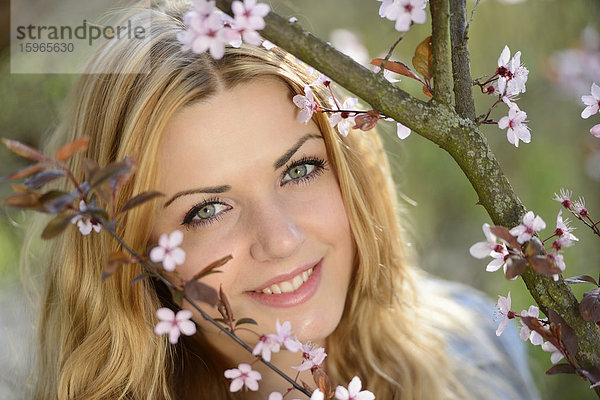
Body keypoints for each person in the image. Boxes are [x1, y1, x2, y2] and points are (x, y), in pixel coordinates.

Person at [22, 2, 540, 399]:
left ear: (348, 170)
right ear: (138, 254)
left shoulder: (480, 351)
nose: (281, 239)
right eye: (207, 210)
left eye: (300, 169)